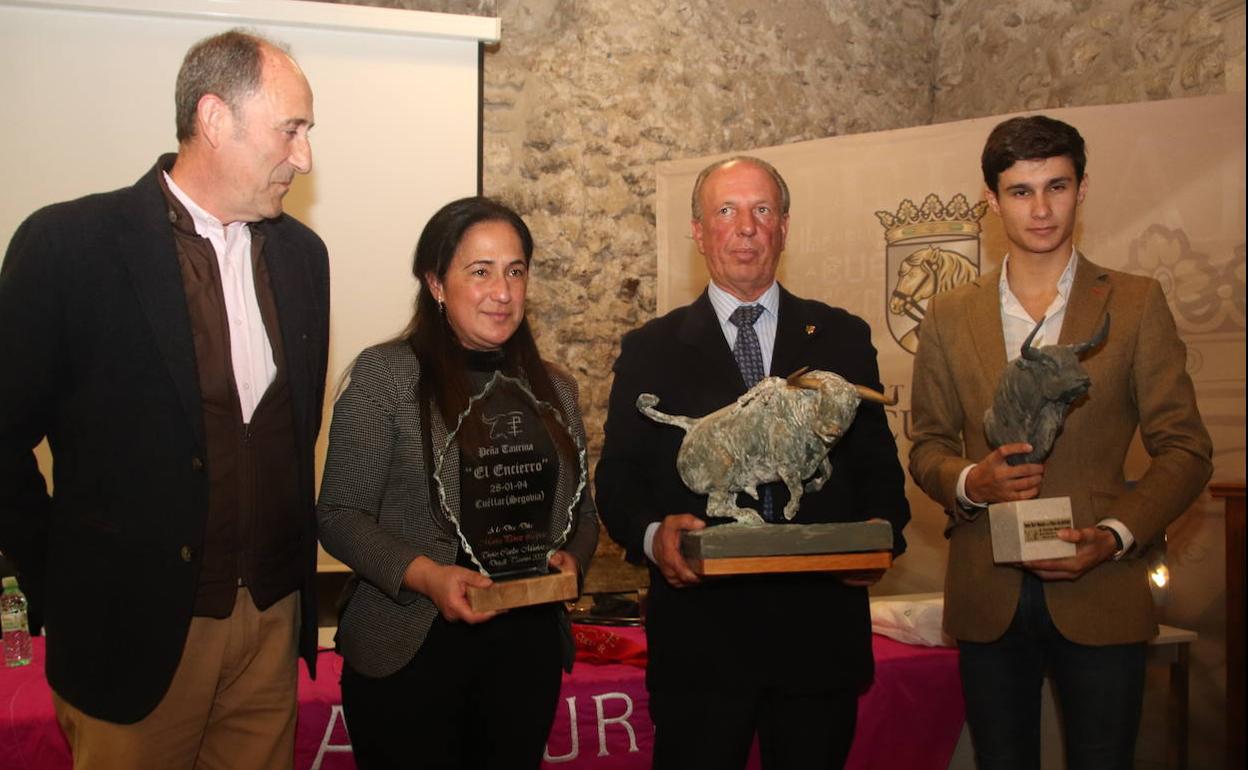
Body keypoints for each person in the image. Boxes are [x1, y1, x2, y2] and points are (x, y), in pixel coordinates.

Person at [0, 29, 327, 770]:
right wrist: (59, 581)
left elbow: (285, 434)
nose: (303, 156)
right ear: (215, 119)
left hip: (269, 625)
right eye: (291, 129)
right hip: (130, 634)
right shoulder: (71, 247)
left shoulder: (304, 258)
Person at [908, 115, 1213, 770]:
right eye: (1021, 191)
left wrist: (1113, 533)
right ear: (991, 200)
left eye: (1057, 187)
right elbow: (927, 442)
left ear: (1082, 189)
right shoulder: (949, 313)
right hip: (987, 592)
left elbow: (1186, 449)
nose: (1041, 209)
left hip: (1102, 587)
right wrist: (971, 483)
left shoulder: (1134, 304)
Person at [595, 156, 910, 769]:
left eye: (762, 210)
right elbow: (618, 480)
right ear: (698, 231)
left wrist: (881, 540)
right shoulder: (650, 350)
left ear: (784, 227)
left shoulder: (842, 338)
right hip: (701, 648)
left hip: (818, 641)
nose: (746, 226)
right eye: (726, 210)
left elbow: (879, 469)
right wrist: (655, 537)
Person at [317, 196, 598, 770]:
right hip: (409, 647)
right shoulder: (387, 375)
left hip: (525, 652)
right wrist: (428, 577)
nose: (503, 291)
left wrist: (573, 557)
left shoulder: (555, 391)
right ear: (436, 283)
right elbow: (339, 515)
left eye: (515, 271)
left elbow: (582, 514)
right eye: (480, 272)